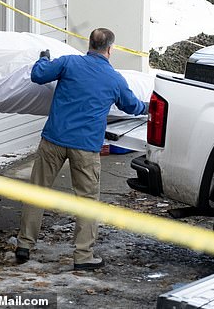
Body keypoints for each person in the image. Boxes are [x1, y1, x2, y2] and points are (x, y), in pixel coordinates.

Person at [15, 28, 148, 270]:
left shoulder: (69, 63)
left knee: (37, 192)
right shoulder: (114, 79)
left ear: (90, 45)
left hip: (54, 139)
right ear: (110, 49)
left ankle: (24, 244)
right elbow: (131, 106)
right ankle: (83, 256)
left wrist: (43, 58)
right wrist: (147, 106)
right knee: (87, 201)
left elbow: (38, 75)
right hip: (85, 147)